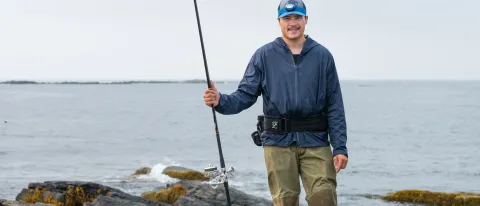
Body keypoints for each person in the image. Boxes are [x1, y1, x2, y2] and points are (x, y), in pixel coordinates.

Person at [203, 0, 348, 205]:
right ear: (279, 22)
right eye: (287, 18)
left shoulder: (322, 56)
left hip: (316, 140)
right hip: (277, 142)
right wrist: (220, 101)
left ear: (306, 20)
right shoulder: (264, 55)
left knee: (324, 197)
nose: (292, 23)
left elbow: (335, 104)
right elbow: (245, 95)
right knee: (285, 200)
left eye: (297, 17)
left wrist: (340, 147)